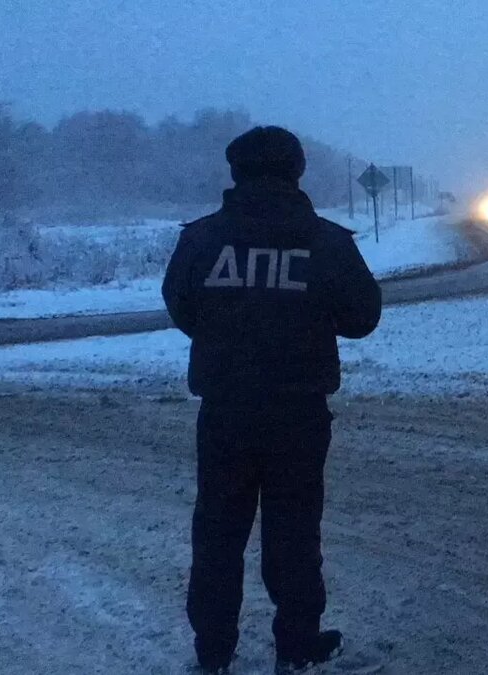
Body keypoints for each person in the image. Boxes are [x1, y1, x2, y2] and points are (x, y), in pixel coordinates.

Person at [162, 126, 382, 674]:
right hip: (297, 411)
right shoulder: (327, 241)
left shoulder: (202, 240)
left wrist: (227, 338)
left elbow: (181, 306)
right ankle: (296, 645)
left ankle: (212, 654)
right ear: (297, 171)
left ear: (235, 172)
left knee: (217, 532)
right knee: (294, 530)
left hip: (225, 409)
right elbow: (362, 318)